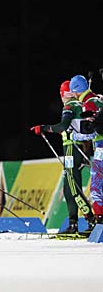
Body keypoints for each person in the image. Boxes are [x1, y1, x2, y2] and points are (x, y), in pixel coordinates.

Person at [30, 80, 96, 237]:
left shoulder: (69, 106)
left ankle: (91, 219)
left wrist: (44, 128)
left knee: (73, 188)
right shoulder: (81, 104)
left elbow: (63, 126)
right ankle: (73, 223)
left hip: (72, 150)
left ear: (63, 94)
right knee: (69, 187)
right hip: (80, 148)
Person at [69, 74, 103, 226]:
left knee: (96, 185)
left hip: (101, 146)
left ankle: (100, 219)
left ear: (76, 91)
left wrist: (73, 135)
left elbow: (91, 131)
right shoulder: (98, 99)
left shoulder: (88, 104)